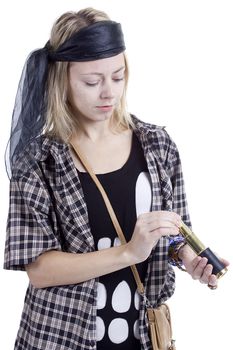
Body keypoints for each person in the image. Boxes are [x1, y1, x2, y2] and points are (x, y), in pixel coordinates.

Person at [3, 7, 228, 350]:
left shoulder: (157, 145)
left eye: (118, 76)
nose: (109, 92)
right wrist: (128, 253)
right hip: (60, 337)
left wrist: (188, 258)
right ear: (61, 79)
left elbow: (173, 234)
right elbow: (39, 269)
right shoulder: (38, 160)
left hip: (142, 334)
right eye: (92, 82)